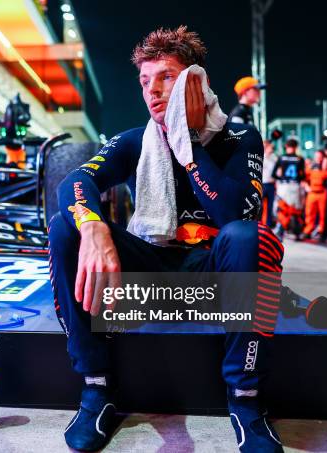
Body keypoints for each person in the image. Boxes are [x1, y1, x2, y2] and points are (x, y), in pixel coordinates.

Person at [48, 26, 284, 452]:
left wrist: (188, 144)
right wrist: (93, 225)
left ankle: (246, 402)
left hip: (214, 288)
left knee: (251, 237)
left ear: (196, 81)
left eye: (166, 77)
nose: (153, 91)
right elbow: (75, 180)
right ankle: (95, 389)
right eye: (144, 81)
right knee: (66, 224)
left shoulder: (239, 138)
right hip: (149, 281)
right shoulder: (135, 140)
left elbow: (236, 212)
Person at [272, 139, 306, 240]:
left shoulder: (281, 158)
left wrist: (281, 179)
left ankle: (280, 231)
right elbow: (303, 175)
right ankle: (297, 233)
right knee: (296, 210)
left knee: (282, 210)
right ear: (296, 147)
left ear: (286, 146)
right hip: (295, 186)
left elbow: (273, 174)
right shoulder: (300, 158)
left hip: (284, 186)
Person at [302, 150, 327, 239]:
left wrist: (325, 166)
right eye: (316, 155)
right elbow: (304, 178)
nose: (318, 157)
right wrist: (306, 187)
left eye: (319, 156)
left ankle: (321, 232)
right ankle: (308, 231)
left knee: (323, 214)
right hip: (312, 193)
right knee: (309, 213)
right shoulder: (310, 167)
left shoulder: (326, 167)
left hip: (322, 193)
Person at [262, 139, 277, 227]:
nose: (271, 148)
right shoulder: (261, 156)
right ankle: (259, 223)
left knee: (270, 206)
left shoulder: (275, 158)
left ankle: (268, 224)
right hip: (263, 184)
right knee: (260, 206)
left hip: (271, 184)